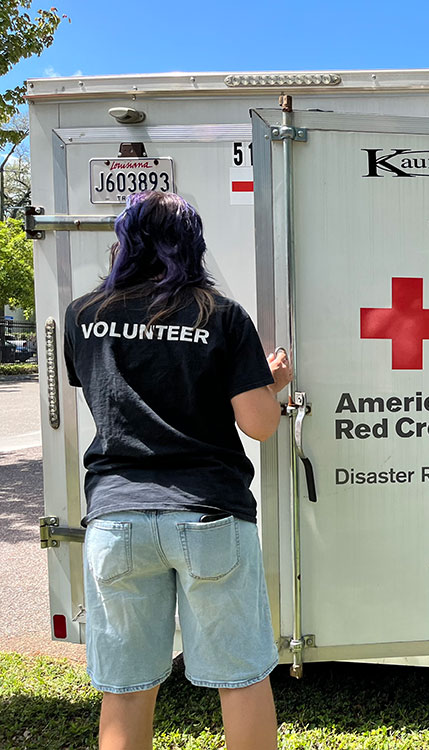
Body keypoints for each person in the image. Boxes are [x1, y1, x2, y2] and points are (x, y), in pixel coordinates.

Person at [64, 191, 291, 750]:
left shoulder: (84, 314)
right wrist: (271, 385)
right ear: (192, 244)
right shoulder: (219, 315)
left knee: (126, 687)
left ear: (125, 241)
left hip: (116, 520)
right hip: (209, 515)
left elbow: (111, 393)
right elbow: (259, 425)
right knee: (240, 679)